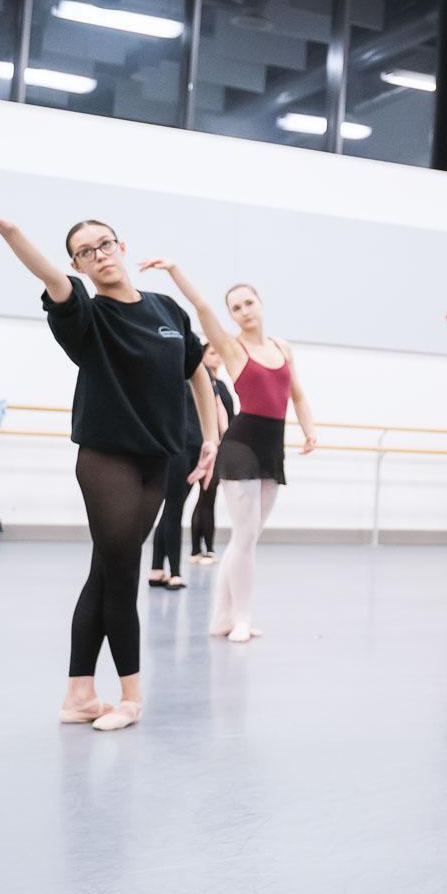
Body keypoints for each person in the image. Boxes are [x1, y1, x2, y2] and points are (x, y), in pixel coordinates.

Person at [0, 198, 217, 731]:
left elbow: (197, 372)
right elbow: (52, 279)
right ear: (78, 265)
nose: (98, 255)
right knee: (122, 572)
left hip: (158, 461)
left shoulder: (167, 309)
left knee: (106, 568)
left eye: (104, 244)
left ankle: (78, 693)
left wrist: (210, 438)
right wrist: (11, 231)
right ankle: (132, 696)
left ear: (122, 247)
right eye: (84, 252)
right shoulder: (87, 315)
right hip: (106, 458)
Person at [140, 262, 316, 643]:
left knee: (246, 540)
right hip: (241, 445)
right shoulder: (232, 348)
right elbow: (202, 306)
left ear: (260, 303)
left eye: (249, 303)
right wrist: (173, 271)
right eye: (236, 307)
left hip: (273, 447)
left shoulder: (282, 347)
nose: (244, 311)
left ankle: (222, 617)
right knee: (244, 537)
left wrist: (309, 431)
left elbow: (296, 394)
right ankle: (241, 618)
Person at [147, 373, 202, 590]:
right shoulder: (169, 372)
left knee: (172, 509)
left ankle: (156, 569)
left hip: (197, 449)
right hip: (176, 448)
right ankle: (175, 572)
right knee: (174, 508)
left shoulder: (202, 377)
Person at [188, 346, 233, 564]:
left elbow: (228, 417)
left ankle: (206, 549)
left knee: (207, 497)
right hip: (199, 444)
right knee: (201, 497)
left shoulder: (222, 386)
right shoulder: (197, 381)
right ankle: (199, 549)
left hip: (218, 447)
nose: (217, 355)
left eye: (219, 352)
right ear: (202, 356)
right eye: (212, 352)